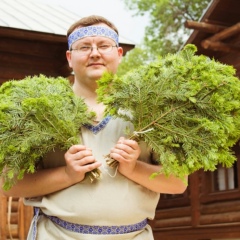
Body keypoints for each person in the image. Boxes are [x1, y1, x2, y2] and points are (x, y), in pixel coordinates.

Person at [0, 15, 187, 240]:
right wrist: (68, 174)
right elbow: (9, 185)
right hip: (56, 235)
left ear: (119, 54)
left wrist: (133, 168)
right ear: (69, 58)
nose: (95, 53)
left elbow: (178, 182)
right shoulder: (40, 110)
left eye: (104, 45)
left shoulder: (151, 110)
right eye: (84, 47)